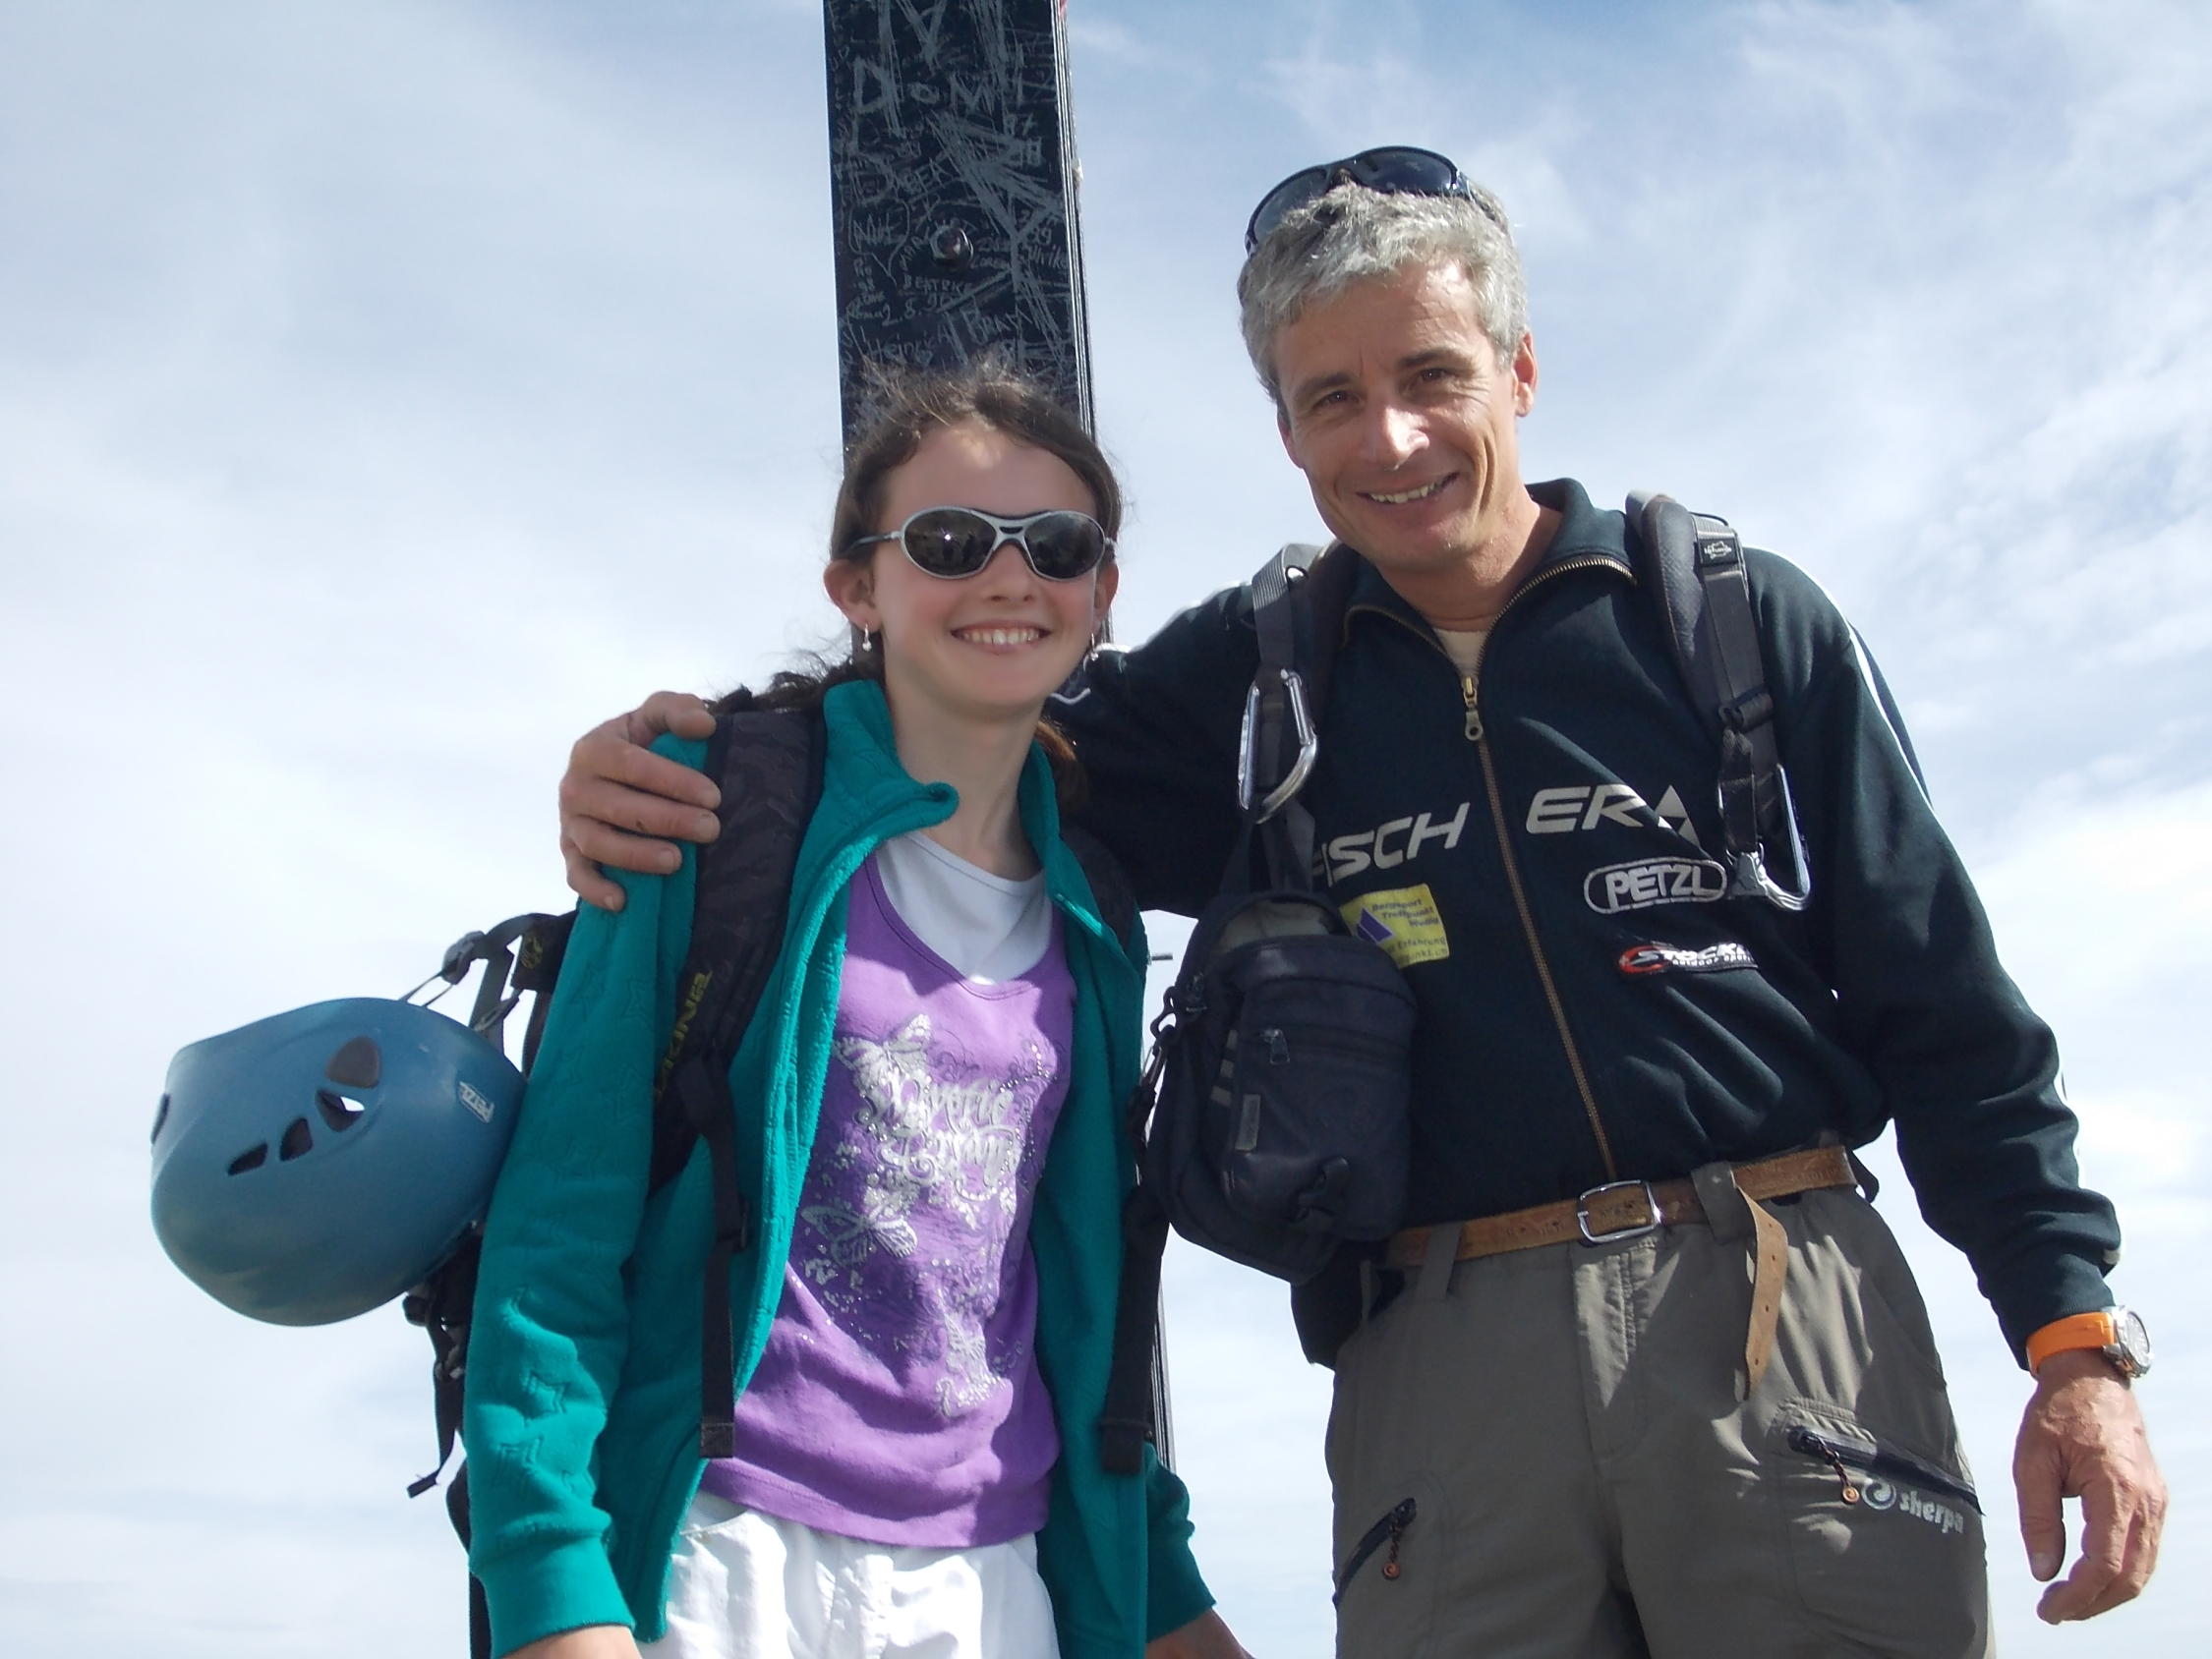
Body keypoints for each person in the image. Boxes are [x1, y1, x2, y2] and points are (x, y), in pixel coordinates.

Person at [550, 151, 2165, 1656]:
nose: (1388, 439)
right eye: (1331, 397)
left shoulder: (1727, 624)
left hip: (1777, 1308)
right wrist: (698, 763)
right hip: (1437, 1357)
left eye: (1430, 376)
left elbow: (1946, 1006)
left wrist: (2072, 1346)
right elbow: (961, 724)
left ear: (1517, 374)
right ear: (1285, 432)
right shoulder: (1249, 682)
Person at [462, 365, 1251, 1659]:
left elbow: (1077, 1306)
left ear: (1102, 591)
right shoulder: (702, 810)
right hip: (719, 1551)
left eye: (1055, 546)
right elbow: (557, 1226)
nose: (1008, 577)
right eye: (949, 542)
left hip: (990, 1584)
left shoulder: (1097, 917)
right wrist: (552, 1586)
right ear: (856, 587)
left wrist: (1161, 1591)